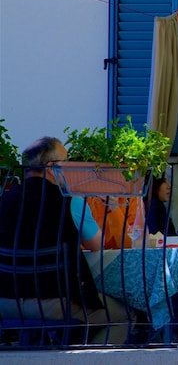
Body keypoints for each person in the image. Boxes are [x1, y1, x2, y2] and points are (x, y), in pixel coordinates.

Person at [0, 137, 129, 344]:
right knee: (126, 315)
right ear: (52, 168)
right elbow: (98, 245)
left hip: (5, 300)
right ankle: (89, 359)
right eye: (66, 162)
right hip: (52, 300)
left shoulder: (5, 200)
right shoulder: (70, 201)